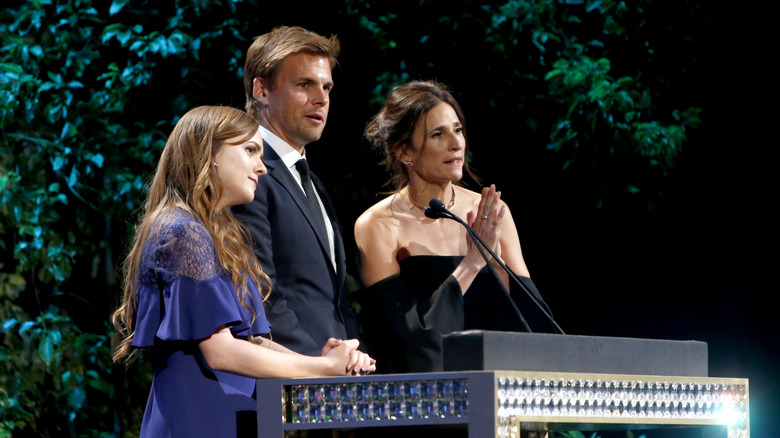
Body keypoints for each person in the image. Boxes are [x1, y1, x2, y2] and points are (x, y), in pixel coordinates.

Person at [112, 106, 375, 438]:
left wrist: (319, 364)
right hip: (199, 421)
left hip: (237, 416)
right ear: (209, 153)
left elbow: (253, 341)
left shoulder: (219, 235)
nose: (262, 167)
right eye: (250, 150)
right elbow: (220, 350)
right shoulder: (182, 232)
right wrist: (321, 368)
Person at [354, 80, 559, 374]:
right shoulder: (379, 225)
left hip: (496, 383)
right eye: (438, 134)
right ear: (404, 152)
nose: (456, 143)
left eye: (458, 130)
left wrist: (497, 264)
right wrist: (473, 263)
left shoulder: (493, 212)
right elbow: (409, 339)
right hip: (426, 397)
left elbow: (534, 323)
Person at [232, 26, 361, 356]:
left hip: (331, 383)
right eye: (304, 84)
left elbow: (334, 300)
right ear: (261, 90)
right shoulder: (248, 175)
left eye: (327, 87)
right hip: (287, 380)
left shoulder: (312, 182)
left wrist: (351, 359)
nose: (321, 98)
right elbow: (260, 296)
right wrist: (317, 365)